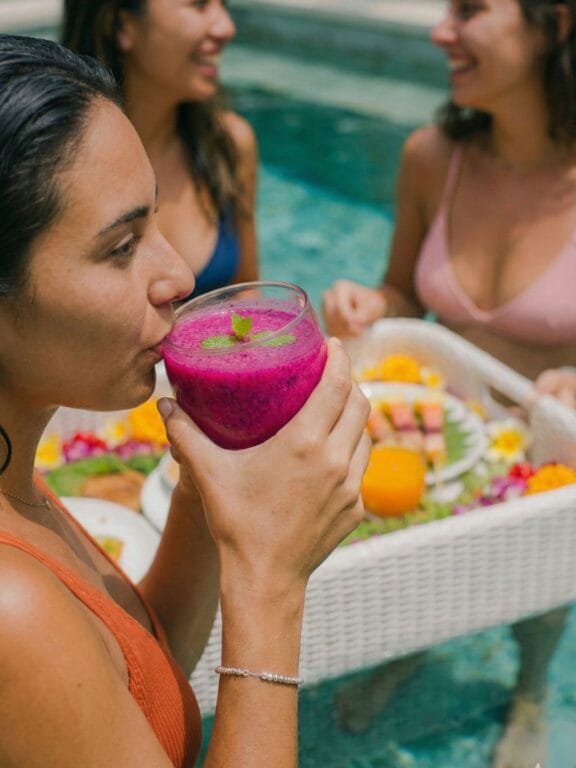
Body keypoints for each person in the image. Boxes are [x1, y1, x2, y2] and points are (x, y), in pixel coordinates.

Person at [0, 34, 370, 767]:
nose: (178, 275)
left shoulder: (17, 483)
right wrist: (270, 583)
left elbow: (135, 673)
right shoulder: (11, 613)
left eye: (156, 222)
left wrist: (211, 494)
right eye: (120, 247)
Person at [322, 1, 576, 766]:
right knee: (410, 556)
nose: (440, 31)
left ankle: (531, 688)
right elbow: (402, 290)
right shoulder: (432, 157)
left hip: (552, 457)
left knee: (543, 581)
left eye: (469, 10)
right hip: (439, 438)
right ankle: (406, 650)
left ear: (555, 23)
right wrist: (371, 306)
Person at [61, 0, 259, 299]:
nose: (226, 28)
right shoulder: (57, 167)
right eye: (198, 4)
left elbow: (246, 292)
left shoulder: (228, 144)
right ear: (122, 24)